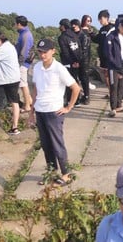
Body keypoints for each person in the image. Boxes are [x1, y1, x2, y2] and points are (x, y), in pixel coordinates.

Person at [27, 38, 80, 186]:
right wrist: (31, 112)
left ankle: (66, 174)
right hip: (40, 110)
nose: (42, 54)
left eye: (45, 52)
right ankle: (51, 172)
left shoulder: (59, 68)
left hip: (54, 112)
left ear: (53, 51)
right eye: (40, 52)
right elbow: (36, 90)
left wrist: (68, 107)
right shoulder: (37, 67)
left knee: (57, 144)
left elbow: (75, 88)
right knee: (46, 144)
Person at [105, 16, 123, 117]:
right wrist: (117, 66)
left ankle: (119, 105)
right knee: (114, 87)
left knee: (121, 87)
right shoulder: (110, 36)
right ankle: (113, 108)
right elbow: (109, 54)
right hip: (113, 67)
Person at [57, 19, 82, 107]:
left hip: (68, 62)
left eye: (60, 25)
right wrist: (77, 61)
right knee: (75, 81)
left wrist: (71, 62)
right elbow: (79, 49)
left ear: (63, 26)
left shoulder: (62, 37)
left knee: (67, 82)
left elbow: (65, 52)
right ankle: (77, 100)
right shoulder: (75, 35)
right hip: (76, 62)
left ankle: (69, 101)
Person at [92, 10, 115, 94]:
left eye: (101, 19)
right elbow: (97, 39)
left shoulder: (111, 28)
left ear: (106, 18)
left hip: (109, 56)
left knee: (110, 75)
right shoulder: (102, 29)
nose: (100, 21)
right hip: (102, 56)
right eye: (99, 19)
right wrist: (91, 34)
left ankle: (113, 93)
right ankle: (110, 92)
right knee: (106, 75)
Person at [14, 15, 34, 113]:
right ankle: (30, 101)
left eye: (15, 24)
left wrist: (18, 63)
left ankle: (27, 106)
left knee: (23, 84)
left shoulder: (25, 35)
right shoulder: (24, 33)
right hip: (24, 62)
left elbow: (24, 51)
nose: (14, 25)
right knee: (23, 83)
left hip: (23, 63)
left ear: (18, 24)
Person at [72, 19, 91, 104]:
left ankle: (86, 96)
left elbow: (84, 50)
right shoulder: (72, 35)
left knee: (84, 79)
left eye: (75, 26)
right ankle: (78, 96)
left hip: (83, 61)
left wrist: (80, 61)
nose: (73, 27)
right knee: (76, 79)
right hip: (75, 60)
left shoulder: (83, 36)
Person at [80, 15, 94, 103]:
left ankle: (86, 96)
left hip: (87, 56)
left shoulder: (90, 31)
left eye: (90, 21)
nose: (88, 22)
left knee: (85, 77)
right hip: (81, 56)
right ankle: (83, 95)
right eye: (87, 20)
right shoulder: (81, 31)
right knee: (81, 77)